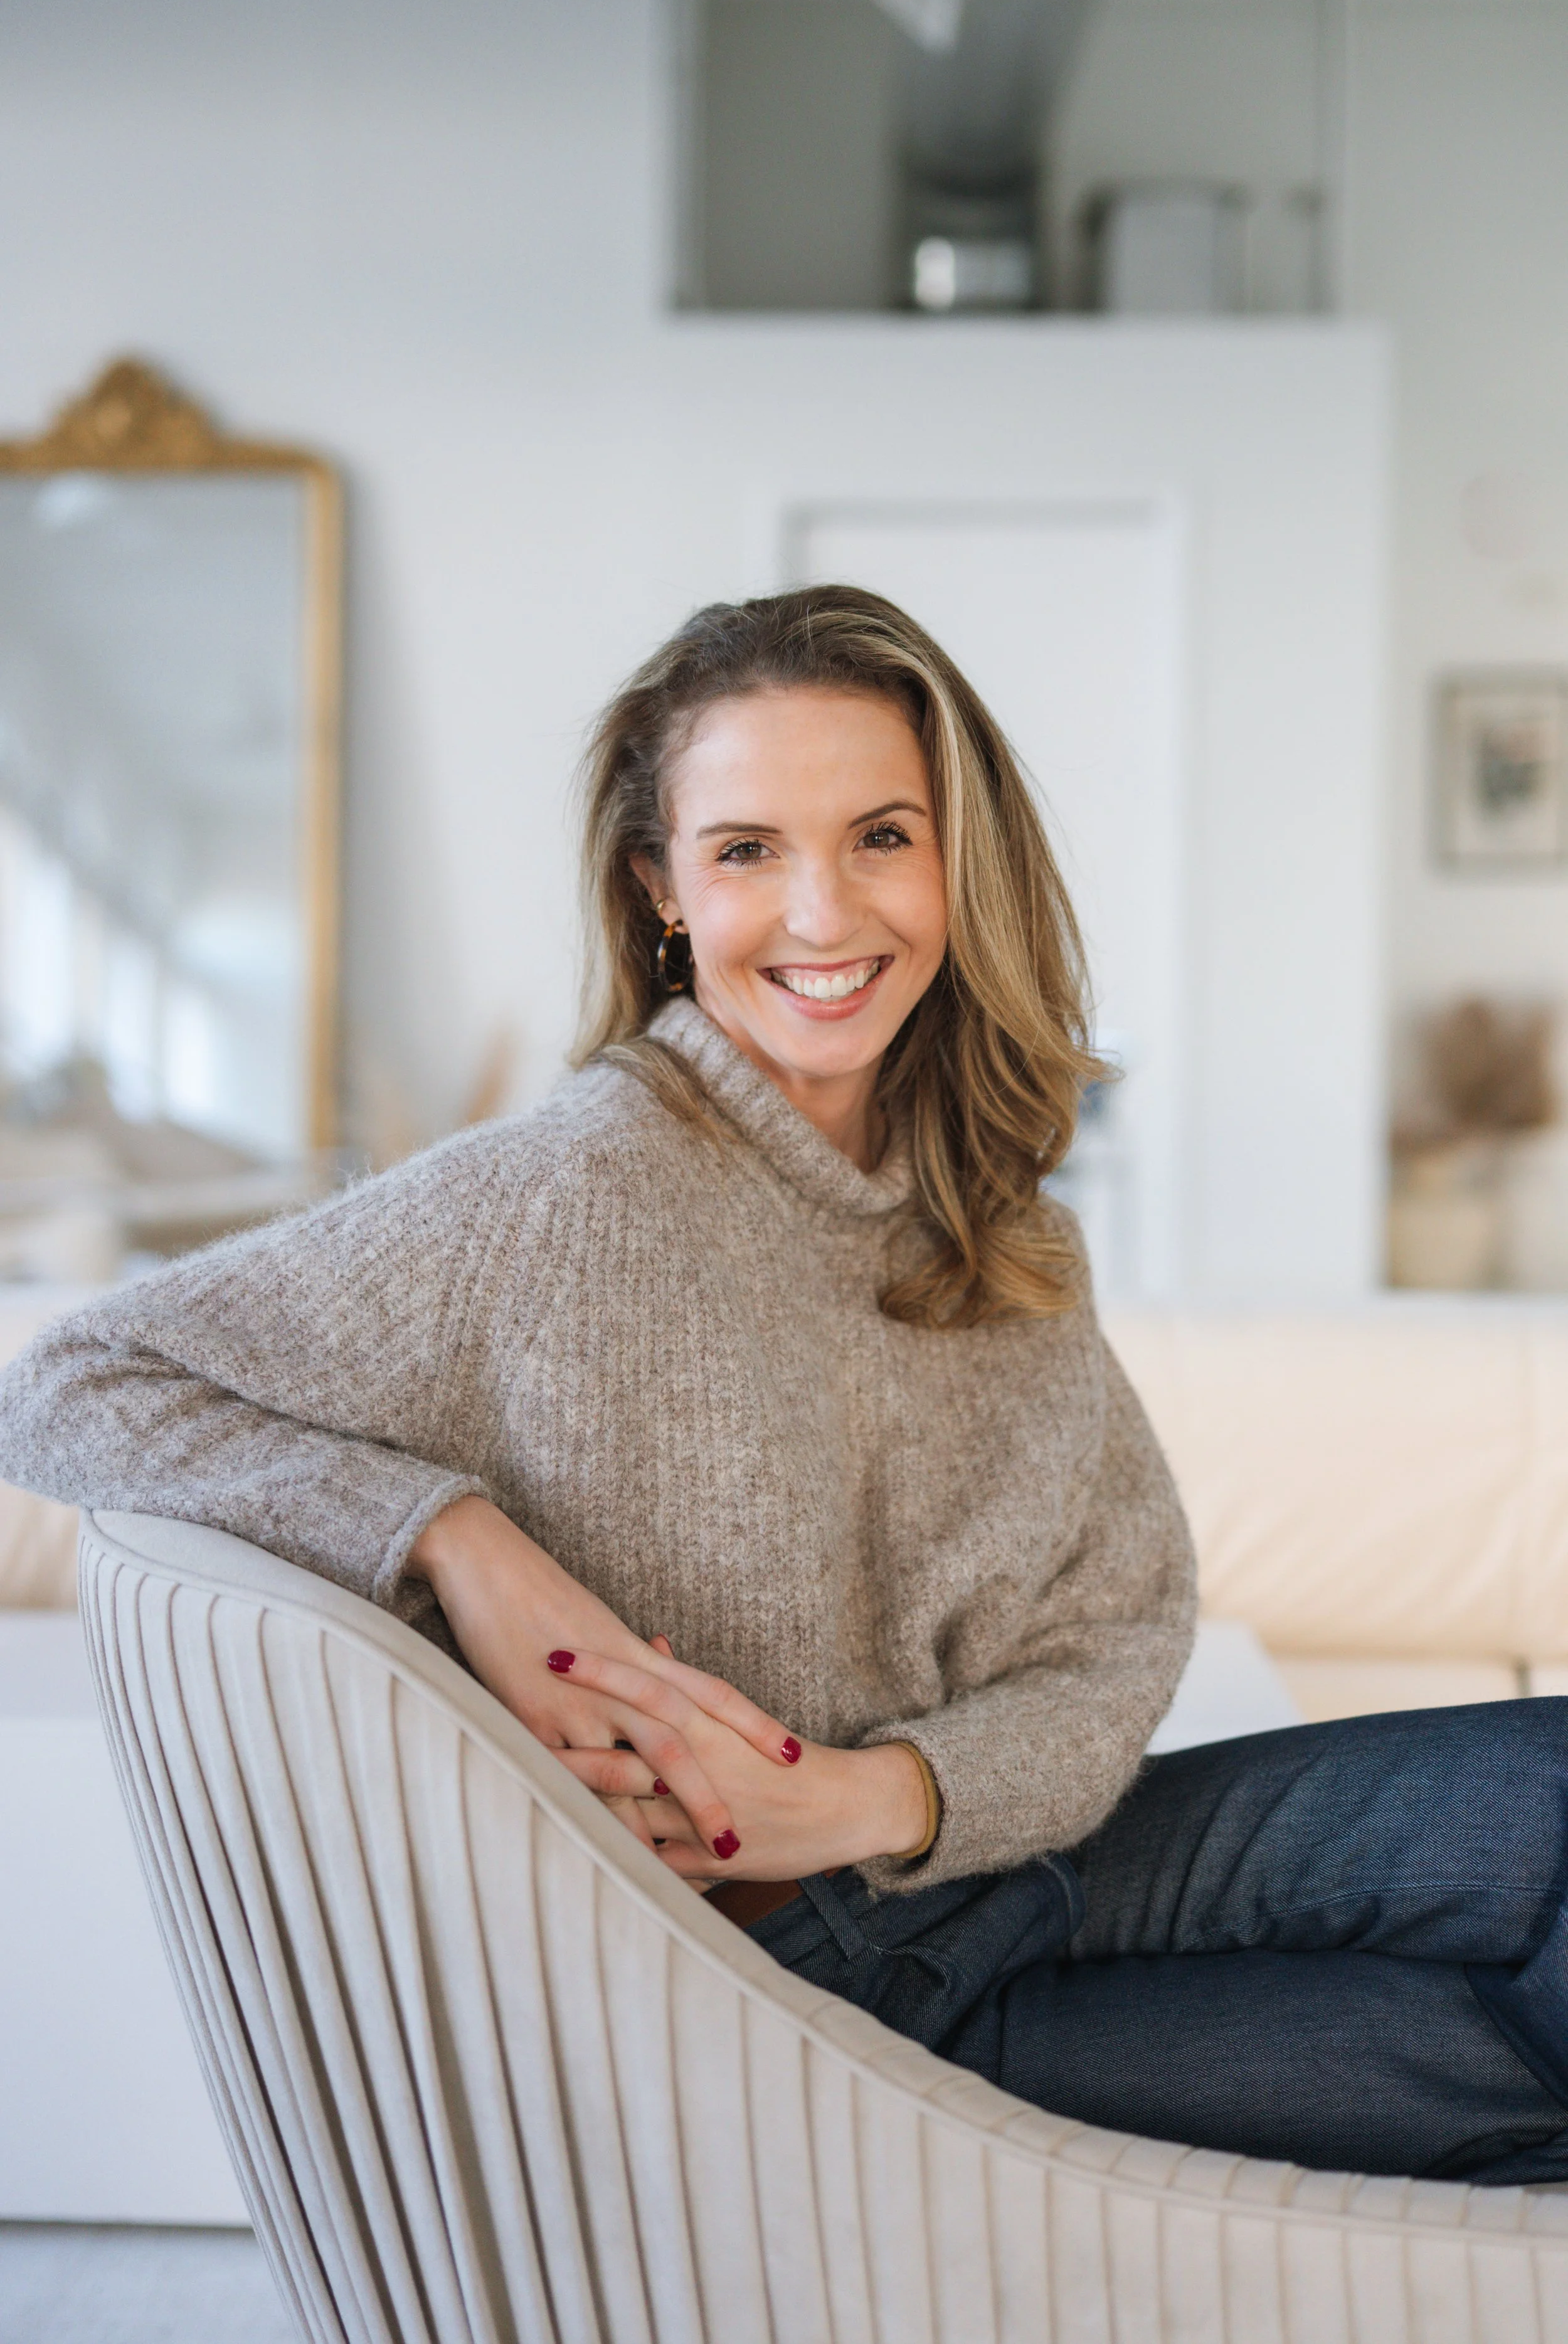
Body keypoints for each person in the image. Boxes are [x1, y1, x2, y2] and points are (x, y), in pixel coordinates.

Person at [4, 583, 1568, 2185]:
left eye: (882, 836)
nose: (824, 915)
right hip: (776, 1987)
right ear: (661, 889)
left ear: (961, 863)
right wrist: (454, 1537)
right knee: (1518, 2076)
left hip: (982, 1867)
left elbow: (1118, 1628)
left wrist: (868, 1798)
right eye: (747, 850)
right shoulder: (564, 1191)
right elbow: (67, 1382)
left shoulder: (996, 1226)